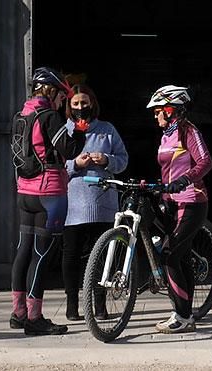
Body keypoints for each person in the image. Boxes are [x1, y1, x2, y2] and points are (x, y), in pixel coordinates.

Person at [10, 67, 73, 335]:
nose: (63, 102)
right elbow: (70, 150)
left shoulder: (21, 115)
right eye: (62, 96)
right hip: (49, 193)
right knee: (42, 255)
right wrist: (78, 127)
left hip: (25, 192)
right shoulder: (49, 117)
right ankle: (35, 319)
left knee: (23, 251)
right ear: (52, 91)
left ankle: (18, 314)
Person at [146, 84, 212, 334]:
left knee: (170, 255)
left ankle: (182, 316)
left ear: (171, 110)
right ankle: (185, 311)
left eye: (157, 111)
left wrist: (186, 179)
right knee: (181, 255)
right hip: (171, 201)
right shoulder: (166, 135)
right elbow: (168, 168)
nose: (155, 116)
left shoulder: (188, 131)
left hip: (192, 200)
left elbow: (205, 161)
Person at [62, 84, 129, 321]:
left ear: (93, 103)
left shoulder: (107, 130)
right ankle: (72, 306)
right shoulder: (64, 131)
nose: (81, 107)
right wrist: (74, 165)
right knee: (71, 255)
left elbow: (123, 161)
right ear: (69, 106)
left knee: (102, 255)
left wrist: (107, 160)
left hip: (103, 204)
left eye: (85, 102)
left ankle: (100, 306)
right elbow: (54, 166)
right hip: (73, 204)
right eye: (76, 104)